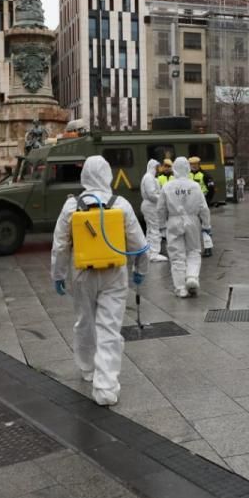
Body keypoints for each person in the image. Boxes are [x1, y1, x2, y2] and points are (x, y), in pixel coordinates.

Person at [50, 156, 149, 406]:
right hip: (115, 272)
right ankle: (105, 387)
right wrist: (141, 270)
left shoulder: (72, 205)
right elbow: (139, 245)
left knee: (85, 321)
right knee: (109, 327)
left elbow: (60, 245)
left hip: (83, 273)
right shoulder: (121, 204)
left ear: (84, 177)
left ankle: (87, 369)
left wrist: (58, 274)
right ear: (107, 175)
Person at [157, 157, 211, 298]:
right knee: (193, 250)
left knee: (176, 255)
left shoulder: (167, 186)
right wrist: (206, 225)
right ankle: (192, 276)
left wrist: (162, 225)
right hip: (192, 220)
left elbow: (161, 208)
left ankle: (180, 288)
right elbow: (203, 208)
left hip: (173, 221)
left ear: (174, 168)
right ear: (187, 168)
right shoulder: (194, 186)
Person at [140, 159, 168, 263]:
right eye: (157, 167)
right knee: (155, 229)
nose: (158, 169)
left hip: (150, 206)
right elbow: (152, 194)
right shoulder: (149, 178)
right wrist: (163, 198)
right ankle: (154, 253)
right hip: (151, 206)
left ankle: (149, 251)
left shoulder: (150, 177)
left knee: (150, 229)